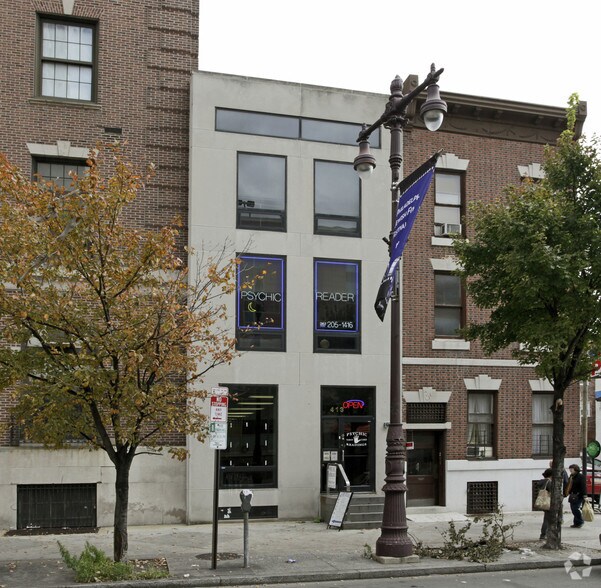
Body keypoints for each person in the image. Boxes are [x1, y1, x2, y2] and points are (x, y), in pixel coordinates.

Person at [565, 463, 586, 528]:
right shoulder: (571, 477)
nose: (570, 470)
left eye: (572, 469)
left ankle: (580, 521)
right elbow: (569, 485)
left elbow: (583, 486)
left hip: (579, 495)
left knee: (575, 508)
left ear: (576, 469)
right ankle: (576, 523)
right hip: (572, 495)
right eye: (570, 469)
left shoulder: (581, 476)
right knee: (573, 509)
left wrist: (584, 495)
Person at [538, 468, 553, 540]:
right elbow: (551, 492)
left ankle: (544, 534)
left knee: (546, 518)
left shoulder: (542, 482)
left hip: (543, 502)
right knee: (547, 519)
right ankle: (544, 534)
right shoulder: (549, 482)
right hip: (548, 502)